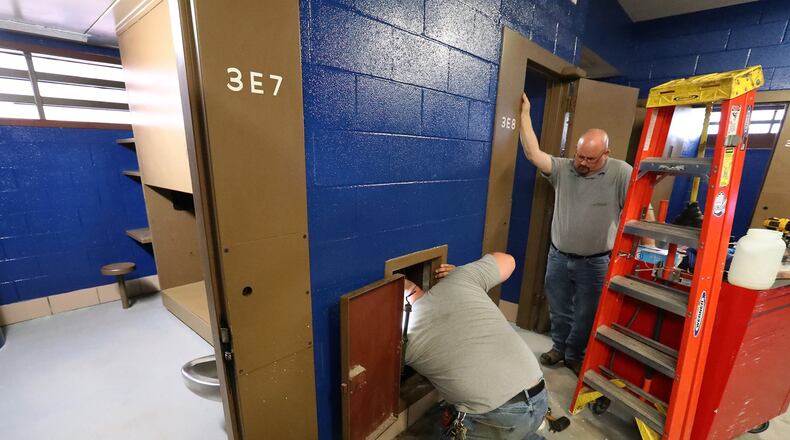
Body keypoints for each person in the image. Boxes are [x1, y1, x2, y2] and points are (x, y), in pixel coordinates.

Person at [518, 92, 653, 376]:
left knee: (586, 314)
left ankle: (575, 355)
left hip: (595, 262)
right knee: (559, 307)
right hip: (558, 256)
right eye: (579, 155)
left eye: (590, 159)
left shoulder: (621, 173)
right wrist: (525, 114)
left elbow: (644, 209)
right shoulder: (564, 169)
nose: (582, 163)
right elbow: (533, 153)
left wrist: (649, 252)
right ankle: (558, 348)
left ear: (606, 153)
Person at [405, 253, 547, 439]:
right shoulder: (461, 278)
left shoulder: (406, 341)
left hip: (498, 418)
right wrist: (462, 271)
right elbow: (509, 261)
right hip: (540, 397)